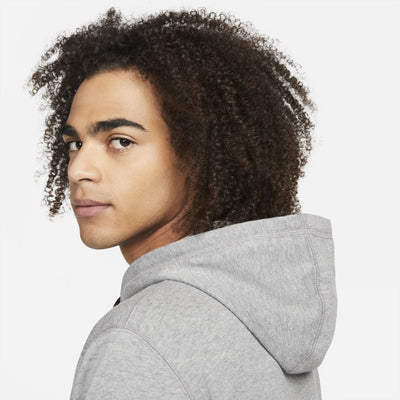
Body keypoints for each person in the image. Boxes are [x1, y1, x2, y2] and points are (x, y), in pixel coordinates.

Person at [27, 7, 337, 400]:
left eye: (120, 141)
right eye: (75, 144)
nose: (78, 170)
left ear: (198, 154)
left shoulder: (138, 341)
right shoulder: (267, 318)